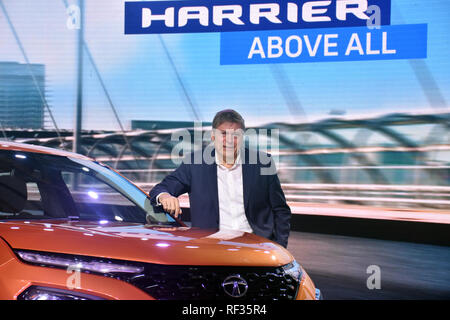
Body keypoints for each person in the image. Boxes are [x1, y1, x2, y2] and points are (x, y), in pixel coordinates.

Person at [149, 109, 291, 247]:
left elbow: (280, 209)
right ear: (212, 136)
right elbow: (161, 188)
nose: (229, 140)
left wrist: (279, 246)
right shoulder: (195, 164)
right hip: (212, 247)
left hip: (256, 246)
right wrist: (165, 196)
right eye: (223, 134)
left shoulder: (262, 162)